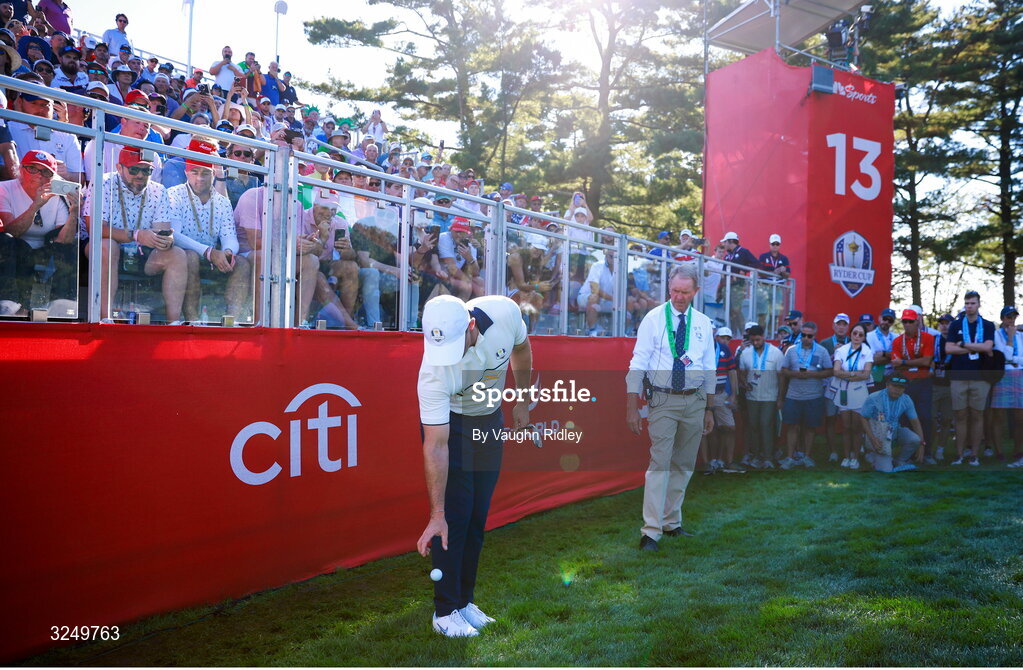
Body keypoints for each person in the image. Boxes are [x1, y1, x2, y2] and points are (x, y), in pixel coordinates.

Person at [415, 294, 532, 637]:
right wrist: (436, 513)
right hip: (453, 428)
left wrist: (523, 399)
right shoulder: (433, 374)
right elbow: (435, 445)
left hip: (489, 422)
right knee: (454, 517)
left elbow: (522, 350)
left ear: (471, 326)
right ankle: (444, 611)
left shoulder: (506, 313)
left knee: (478, 517)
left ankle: (464, 602)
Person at [626, 264, 716, 551]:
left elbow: (709, 366)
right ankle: (650, 532)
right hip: (662, 399)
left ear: (696, 292)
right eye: (675, 290)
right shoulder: (653, 319)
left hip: (695, 399)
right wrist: (631, 403)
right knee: (660, 463)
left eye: (685, 292)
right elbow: (638, 362)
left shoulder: (703, 323)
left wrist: (709, 408)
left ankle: (671, 522)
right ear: (669, 289)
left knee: (684, 464)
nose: (679, 296)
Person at [83, 147, 187, 323]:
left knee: (177, 254)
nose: (140, 175)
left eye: (146, 170)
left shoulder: (158, 190)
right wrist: (136, 235)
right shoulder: (102, 182)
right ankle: (104, 319)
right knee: (107, 247)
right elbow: (94, 228)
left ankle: (173, 323)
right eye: (134, 169)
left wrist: (164, 240)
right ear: (119, 167)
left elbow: (161, 229)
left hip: (142, 253)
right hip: (107, 247)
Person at [166, 138, 250, 322]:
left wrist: (227, 252)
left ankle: (232, 320)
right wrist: (209, 252)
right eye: (194, 172)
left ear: (213, 174)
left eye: (205, 173)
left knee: (241, 263)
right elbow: (175, 235)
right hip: (187, 258)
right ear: (186, 172)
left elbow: (230, 236)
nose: (199, 178)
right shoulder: (174, 194)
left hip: (212, 259)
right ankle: (192, 320)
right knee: (190, 256)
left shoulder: (222, 201)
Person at [0, 150, 78, 312]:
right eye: (32, 169)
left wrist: (74, 212)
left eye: (46, 172)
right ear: (21, 169)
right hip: (15, 248)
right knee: (7, 240)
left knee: (71, 248)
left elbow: (64, 240)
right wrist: (35, 205)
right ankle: (11, 304)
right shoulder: (4, 189)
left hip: (44, 249)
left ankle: (61, 304)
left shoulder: (58, 194)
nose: (39, 175)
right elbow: (11, 231)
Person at [944, 290, 995, 466]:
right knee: (960, 415)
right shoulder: (956, 324)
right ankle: (959, 455)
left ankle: (974, 455)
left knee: (977, 415)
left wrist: (964, 344)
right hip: (958, 376)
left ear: (979, 304)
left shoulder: (988, 325)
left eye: (972, 303)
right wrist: (976, 347)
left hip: (980, 377)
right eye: (967, 303)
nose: (969, 306)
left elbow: (988, 347)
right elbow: (949, 349)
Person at [778, 321, 832, 469]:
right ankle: (789, 457)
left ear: (814, 336)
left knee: (810, 428)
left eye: (810, 336)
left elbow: (830, 371)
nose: (806, 338)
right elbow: (783, 370)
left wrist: (814, 374)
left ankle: (807, 457)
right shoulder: (791, 350)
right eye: (803, 335)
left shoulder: (821, 351)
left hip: (813, 396)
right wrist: (795, 374)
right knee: (792, 427)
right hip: (793, 395)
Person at [891, 308, 935, 460]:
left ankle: (927, 452)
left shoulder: (928, 338)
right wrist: (915, 364)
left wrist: (904, 362)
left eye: (910, 321)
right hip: (906, 384)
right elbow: (895, 365)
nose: (907, 324)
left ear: (917, 322)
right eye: (905, 321)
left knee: (925, 417)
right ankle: (908, 453)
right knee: (905, 418)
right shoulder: (897, 341)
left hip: (924, 383)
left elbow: (927, 361)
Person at [738, 324, 784, 469]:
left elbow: (782, 377)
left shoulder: (776, 353)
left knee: (766, 425)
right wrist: (745, 384)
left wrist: (780, 398)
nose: (756, 343)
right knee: (753, 426)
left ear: (763, 337)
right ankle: (756, 456)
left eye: (758, 340)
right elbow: (741, 374)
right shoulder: (745, 353)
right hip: (752, 396)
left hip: (770, 396)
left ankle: (768, 457)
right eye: (753, 341)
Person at [859, 374, 926, 472]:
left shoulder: (906, 399)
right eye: (894, 386)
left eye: (901, 387)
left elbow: (915, 422)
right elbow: (863, 418)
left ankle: (900, 460)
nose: (897, 389)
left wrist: (922, 444)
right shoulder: (874, 397)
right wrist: (872, 438)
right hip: (878, 434)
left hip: (894, 430)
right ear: (887, 385)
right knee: (886, 470)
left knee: (915, 439)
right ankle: (873, 454)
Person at [831, 322, 874, 469]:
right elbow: (836, 371)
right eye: (854, 333)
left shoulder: (867, 351)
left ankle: (855, 457)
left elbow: (867, 374)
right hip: (843, 391)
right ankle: (846, 456)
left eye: (860, 334)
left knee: (857, 427)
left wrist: (847, 375)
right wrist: (855, 374)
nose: (857, 336)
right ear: (850, 334)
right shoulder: (842, 350)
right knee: (846, 426)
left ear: (864, 337)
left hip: (860, 393)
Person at [702, 326, 742, 473]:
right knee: (705, 429)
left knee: (729, 427)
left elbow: (732, 372)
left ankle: (727, 461)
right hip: (702, 395)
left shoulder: (724, 349)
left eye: (711, 331)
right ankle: (708, 463)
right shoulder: (698, 349)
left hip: (720, 394)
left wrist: (733, 395)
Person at [992, 306, 1023, 466]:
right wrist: (1010, 339)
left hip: (1019, 376)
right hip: (1003, 376)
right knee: (999, 416)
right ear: (1002, 318)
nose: (1011, 320)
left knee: (1019, 417)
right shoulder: (997, 334)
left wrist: (1014, 359)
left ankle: (1018, 450)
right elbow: (1004, 356)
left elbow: (1017, 359)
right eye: (1008, 317)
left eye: (1013, 317)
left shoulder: (1021, 335)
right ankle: (999, 451)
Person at [931, 313, 955, 461]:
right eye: (942, 323)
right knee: (932, 419)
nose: (945, 326)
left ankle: (940, 449)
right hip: (934, 385)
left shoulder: (956, 341)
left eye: (948, 323)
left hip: (951, 385)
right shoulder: (934, 340)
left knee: (946, 419)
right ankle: (928, 449)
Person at [868, 308, 896, 391]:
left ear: (893, 322)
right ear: (880, 318)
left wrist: (884, 353)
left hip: (891, 377)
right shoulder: (869, 336)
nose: (887, 322)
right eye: (885, 319)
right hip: (875, 377)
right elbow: (872, 360)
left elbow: (900, 357)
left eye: (890, 320)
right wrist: (891, 356)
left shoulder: (896, 337)